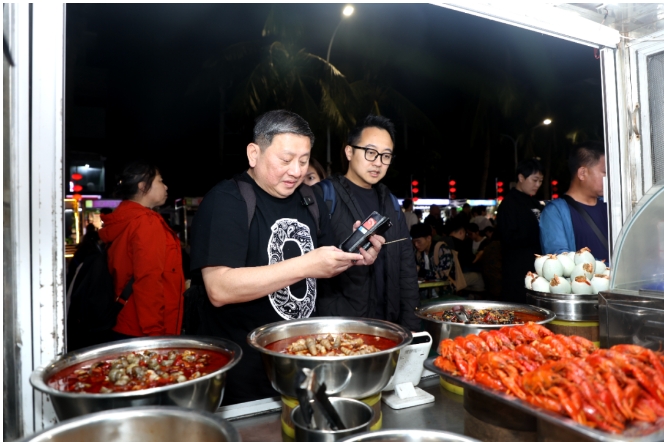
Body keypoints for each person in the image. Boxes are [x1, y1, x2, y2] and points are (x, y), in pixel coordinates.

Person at [188, 110, 383, 405]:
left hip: (305, 363)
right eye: (286, 160)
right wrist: (306, 265)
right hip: (245, 376)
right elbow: (219, 288)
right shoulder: (227, 200)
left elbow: (322, 265)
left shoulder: (311, 199)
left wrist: (353, 256)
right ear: (254, 154)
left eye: (304, 161)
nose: (296, 171)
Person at [316, 115, 420, 331]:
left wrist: (411, 328)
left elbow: (407, 270)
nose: (378, 162)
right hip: (339, 329)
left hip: (387, 327)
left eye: (386, 156)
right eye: (370, 152)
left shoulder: (391, 203)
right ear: (349, 152)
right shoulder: (323, 196)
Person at [99, 161, 185, 338]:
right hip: (144, 329)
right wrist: (154, 334)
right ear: (143, 186)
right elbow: (148, 279)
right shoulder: (146, 222)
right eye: (160, 181)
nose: (165, 186)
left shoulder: (124, 219)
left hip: (124, 321)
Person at [540, 141, 609, 263]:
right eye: (604, 173)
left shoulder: (610, 206)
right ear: (582, 173)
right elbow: (561, 262)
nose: (609, 178)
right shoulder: (554, 213)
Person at [495, 158, 545, 303]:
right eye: (534, 180)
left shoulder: (535, 202)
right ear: (521, 177)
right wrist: (536, 234)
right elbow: (508, 238)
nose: (538, 185)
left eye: (540, 181)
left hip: (537, 269)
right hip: (517, 272)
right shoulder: (509, 204)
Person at [410, 223, 457, 298]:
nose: (416, 245)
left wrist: (421, 271)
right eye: (414, 242)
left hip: (444, 291)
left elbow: (443, 275)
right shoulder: (418, 253)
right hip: (425, 290)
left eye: (419, 242)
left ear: (429, 238)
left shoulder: (442, 250)